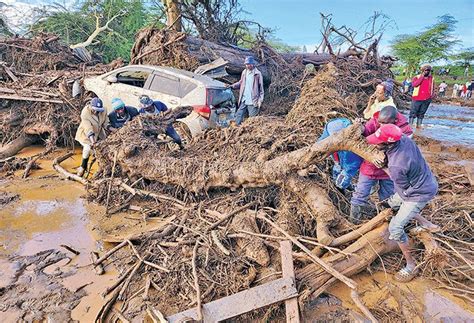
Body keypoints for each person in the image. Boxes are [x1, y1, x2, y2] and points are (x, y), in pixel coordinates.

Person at [367, 124, 440, 282]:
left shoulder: (397, 165)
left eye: (378, 142)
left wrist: (383, 166)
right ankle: (428, 224)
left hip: (418, 193)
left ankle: (411, 265)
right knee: (394, 204)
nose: (375, 144)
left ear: (388, 144)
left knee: (395, 226)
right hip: (425, 180)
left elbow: (401, 185)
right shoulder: (404, 139)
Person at [350, 106, 413, 222]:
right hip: (370, 165)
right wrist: (359, 127)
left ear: (394, 121)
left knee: (388, 198)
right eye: (380, 123)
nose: (381, 126)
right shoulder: (376, 120)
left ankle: (385, 221)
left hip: (390, 168)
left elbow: (403, 153)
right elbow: (366, 131)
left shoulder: (405, 130)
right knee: (360, 194)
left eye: (385, 124)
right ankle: (353, 222)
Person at [318, 118, 363, 191]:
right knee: (340, 167)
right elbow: (321, 144)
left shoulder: (351, 144)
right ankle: (339, 186)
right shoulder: (333, 126)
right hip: (338, 151)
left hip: (349, 154)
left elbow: (350, 166)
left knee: (346, 170)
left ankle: (340, 186)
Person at [75, 97, 112, 177]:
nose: (96, 112)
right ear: (91, 107)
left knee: (105, 147)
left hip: (98, 132)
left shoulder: (104, 110)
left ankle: (105, 167)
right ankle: (83, 167)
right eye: (95, 110)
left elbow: (106, 123)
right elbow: (88, 129)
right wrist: (93, 143)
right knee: (88, 148)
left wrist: (112, 129)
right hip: (85, 134)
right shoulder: (85, 113)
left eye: (98, 110)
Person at [228, 56, 264, 125]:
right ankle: (235, 131)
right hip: (244, 99)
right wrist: (232, 86)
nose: (248, 66)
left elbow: (261, 89)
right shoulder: (244, 72)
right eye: (246, 64)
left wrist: (260, 101)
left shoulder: (257, 74)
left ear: (253, 64)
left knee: (252, 120)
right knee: (238, 115)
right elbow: (241, 82)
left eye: (249, 64)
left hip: (253, 101)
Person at [410, 64, 435, 128]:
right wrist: (422, 77)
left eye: (428, 70)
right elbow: (415, 85)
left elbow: (433, 88)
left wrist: (431, 96)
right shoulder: (417, 77)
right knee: (413, 113)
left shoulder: (431, 79)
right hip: (417, 98)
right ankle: (410, 127)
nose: (427, 71)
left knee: (421, 114)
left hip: (427, 99)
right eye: (426, 70)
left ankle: (418, 126)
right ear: (422, 70)